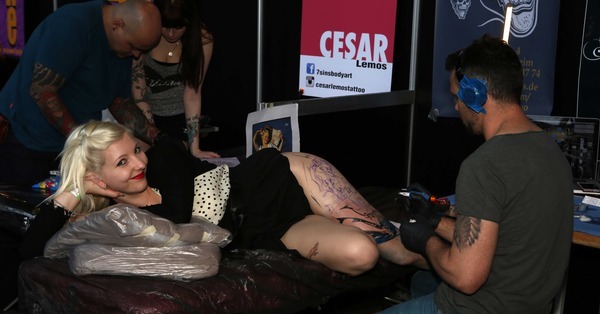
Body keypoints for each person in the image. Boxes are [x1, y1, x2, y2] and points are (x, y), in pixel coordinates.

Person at [247, 34, 574, 314]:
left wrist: (426, 238)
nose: (456, 106)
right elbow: (506, 234)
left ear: (475, 94)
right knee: (420, 281)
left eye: (457, 96)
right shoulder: (549, 149)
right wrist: (437, 220)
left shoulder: (485, 164)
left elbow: (466, 278)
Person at [20, 120, 423, 276]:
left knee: (397, 253)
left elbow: (177, 216)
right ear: (96, 177)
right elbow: (31, 252)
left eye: (135, 150)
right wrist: (74, 191)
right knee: (361, 255)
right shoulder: (114, 217)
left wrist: (117, 192)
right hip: (264, 232)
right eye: (122, 162)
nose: (139, 162)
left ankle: (442, 269)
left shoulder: (165, 157)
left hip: (282, 179)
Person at [0, 0, 162, 187]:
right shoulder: (72, 25)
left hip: (72, 146)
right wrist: (84, 142)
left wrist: (158, 138)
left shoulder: (122, 46)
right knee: (23, 202)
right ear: (117, 26)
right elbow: (42, 91)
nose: (136, 54)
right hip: (26, 140)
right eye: (133, 46)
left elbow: (119, 102)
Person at [131, 0, 220, 159]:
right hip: (146, 115)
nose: (171, 33)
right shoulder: (145, 32)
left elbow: (192, 95)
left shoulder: (202, 39)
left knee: (171, 157)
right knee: (139, 156)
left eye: (178, 27)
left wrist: (195, 149)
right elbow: (139, 95)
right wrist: (152, 133)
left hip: (179, 117)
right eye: (165, 26)